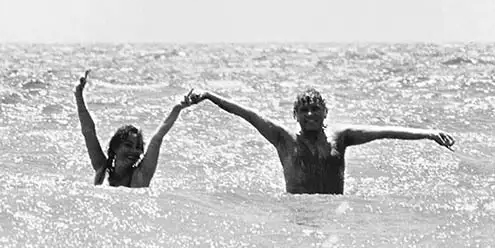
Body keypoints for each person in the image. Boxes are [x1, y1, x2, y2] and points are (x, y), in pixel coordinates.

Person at [187, 87, 456, 194]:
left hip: (335, 209)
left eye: (316, 109)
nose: (310, 114)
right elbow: (245, 113)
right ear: (296, 115)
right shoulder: (284, 139)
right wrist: (210, 96)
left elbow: (384, 131)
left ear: (325, 112)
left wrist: (428, 133)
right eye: (304, 110)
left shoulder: (341, 136)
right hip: (299, 212)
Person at [73, 70, 197, 187]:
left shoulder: (141, 175)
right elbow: (89, 132)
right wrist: (78, 94)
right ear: (115, 147)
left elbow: (157, 138)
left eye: (138, 148)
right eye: (128, 145)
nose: (134, 151)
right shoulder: (102, 169)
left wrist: (177, 108)